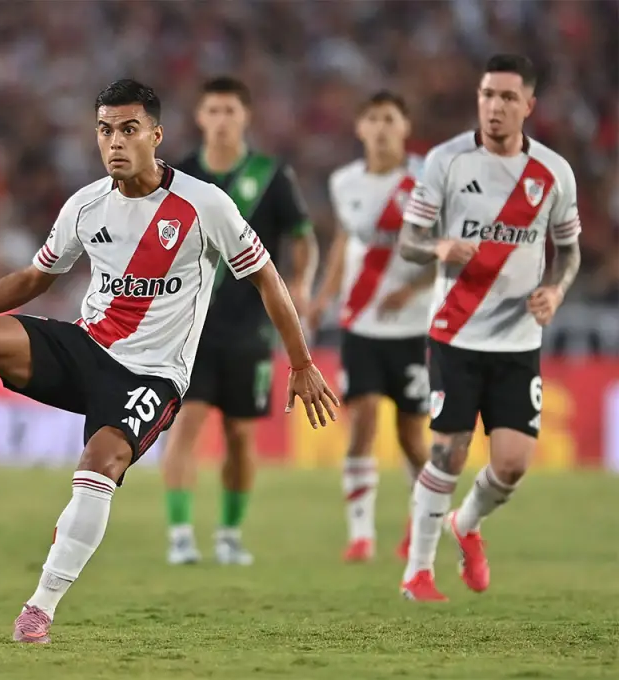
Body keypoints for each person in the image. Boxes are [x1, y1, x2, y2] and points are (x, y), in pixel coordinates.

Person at [0, 79, 339, 643]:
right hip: (86, 348)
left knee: (98, 466)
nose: (115, 142)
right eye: (105, 130)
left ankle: (39, 608)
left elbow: (266, 277)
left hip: (152, 376)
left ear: (156, 136)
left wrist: (301, 362)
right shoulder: (86, 205)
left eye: (129, 129)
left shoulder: (203, 204)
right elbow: (35, 277)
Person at [397, 54, 581, 601]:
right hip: (455, 332)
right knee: (448, 453)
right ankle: (418, 573)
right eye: (486, 95)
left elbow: (569, 251)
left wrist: (556, 291)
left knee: (512, 465)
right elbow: (409, 242)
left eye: (506, 97)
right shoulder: (446, 161)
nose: (494, 106)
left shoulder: (553, 173)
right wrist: (440, 247)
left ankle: (467, 523)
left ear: (529, 105)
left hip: (519, 339)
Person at [158, 77, 319, 566]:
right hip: (189, 328)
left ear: (245, 116)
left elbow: (303, 235)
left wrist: (302, 283)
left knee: (240, 435)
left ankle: (229, 534)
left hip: (251, 328)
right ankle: (180, 535)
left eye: (230, 110)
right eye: (213, 110)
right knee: (186, 425)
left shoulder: (271, 176)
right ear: (200, 117)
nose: (222, 120)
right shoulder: (179, 175)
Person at [310, 91, 433, 563]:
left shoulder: (426, 179)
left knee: (411, 436)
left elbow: (448, 246)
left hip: (413, 328)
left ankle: (422, 521)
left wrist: (415, 286)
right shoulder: (344, 182)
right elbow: (344, 242)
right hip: (360, 323)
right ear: (360, 128)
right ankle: (361, 535)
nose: (381, 128)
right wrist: (324, 296)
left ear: (405, 126)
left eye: (389, 119)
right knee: (361, 423)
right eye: (373, 119)